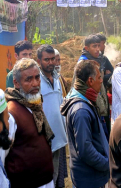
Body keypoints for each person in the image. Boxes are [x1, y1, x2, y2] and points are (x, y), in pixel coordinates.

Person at [4, 58, 55, 187]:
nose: (35, 83)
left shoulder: (34, 104)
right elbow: (1, 154)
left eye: (37, 78)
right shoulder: (11, 113)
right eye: (28, 79)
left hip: (45, 180)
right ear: (16, 82)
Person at [61, 60, 109, 188]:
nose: (101, 81)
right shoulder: (81, 110)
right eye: (99, 78)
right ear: (90, 81)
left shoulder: (84, 99)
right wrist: (106, 164)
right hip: (89, 178)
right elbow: (85, 150)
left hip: (91, 174)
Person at [37, 45, 68, 186]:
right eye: (46, 60)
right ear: (39, 61)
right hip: (46, 140)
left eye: (53, 59)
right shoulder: (35, 81)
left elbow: (61, 105)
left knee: (57, 177)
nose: (51, 63)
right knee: (48, 178)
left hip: (59, 137)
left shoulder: (57, 79)